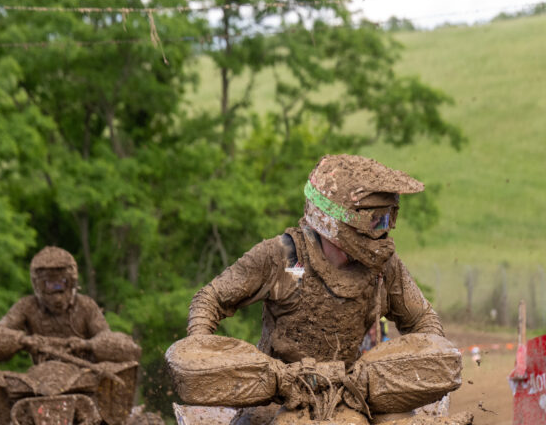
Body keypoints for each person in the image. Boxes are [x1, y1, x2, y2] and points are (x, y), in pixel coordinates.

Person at [187, 154, 444, 373]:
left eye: (388, 219)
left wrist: (431, 357)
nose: (383, 231)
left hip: (351, 391)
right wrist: (201, 352)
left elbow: (422, 319)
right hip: (275, 396)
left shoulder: (383, 266)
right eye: (375, 220)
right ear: (332, 218)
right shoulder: (283, 255)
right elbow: (210, 298)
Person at [0, 246, 140, 365]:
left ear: (72, 282)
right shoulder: (27, 306)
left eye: (61, 284)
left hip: (86, 376)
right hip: (40, 381)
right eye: (49, 285)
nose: (57, 295)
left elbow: (116, 344)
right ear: (37, 285)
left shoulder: (86, 306)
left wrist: (88, 345)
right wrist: (22, 341)